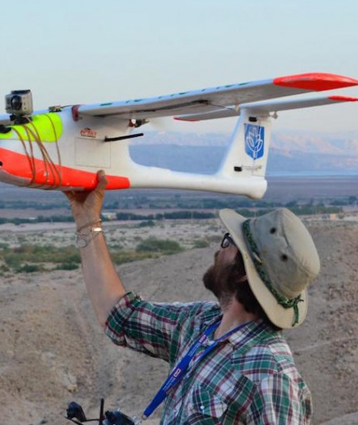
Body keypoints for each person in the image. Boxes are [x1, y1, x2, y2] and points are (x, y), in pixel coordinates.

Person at [64, 170, 320, 424]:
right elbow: (121, 316)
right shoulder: (200, 322)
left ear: (242, 273)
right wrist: (87, 220)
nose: (218, 250)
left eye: (230, 242)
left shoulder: (271, 377)